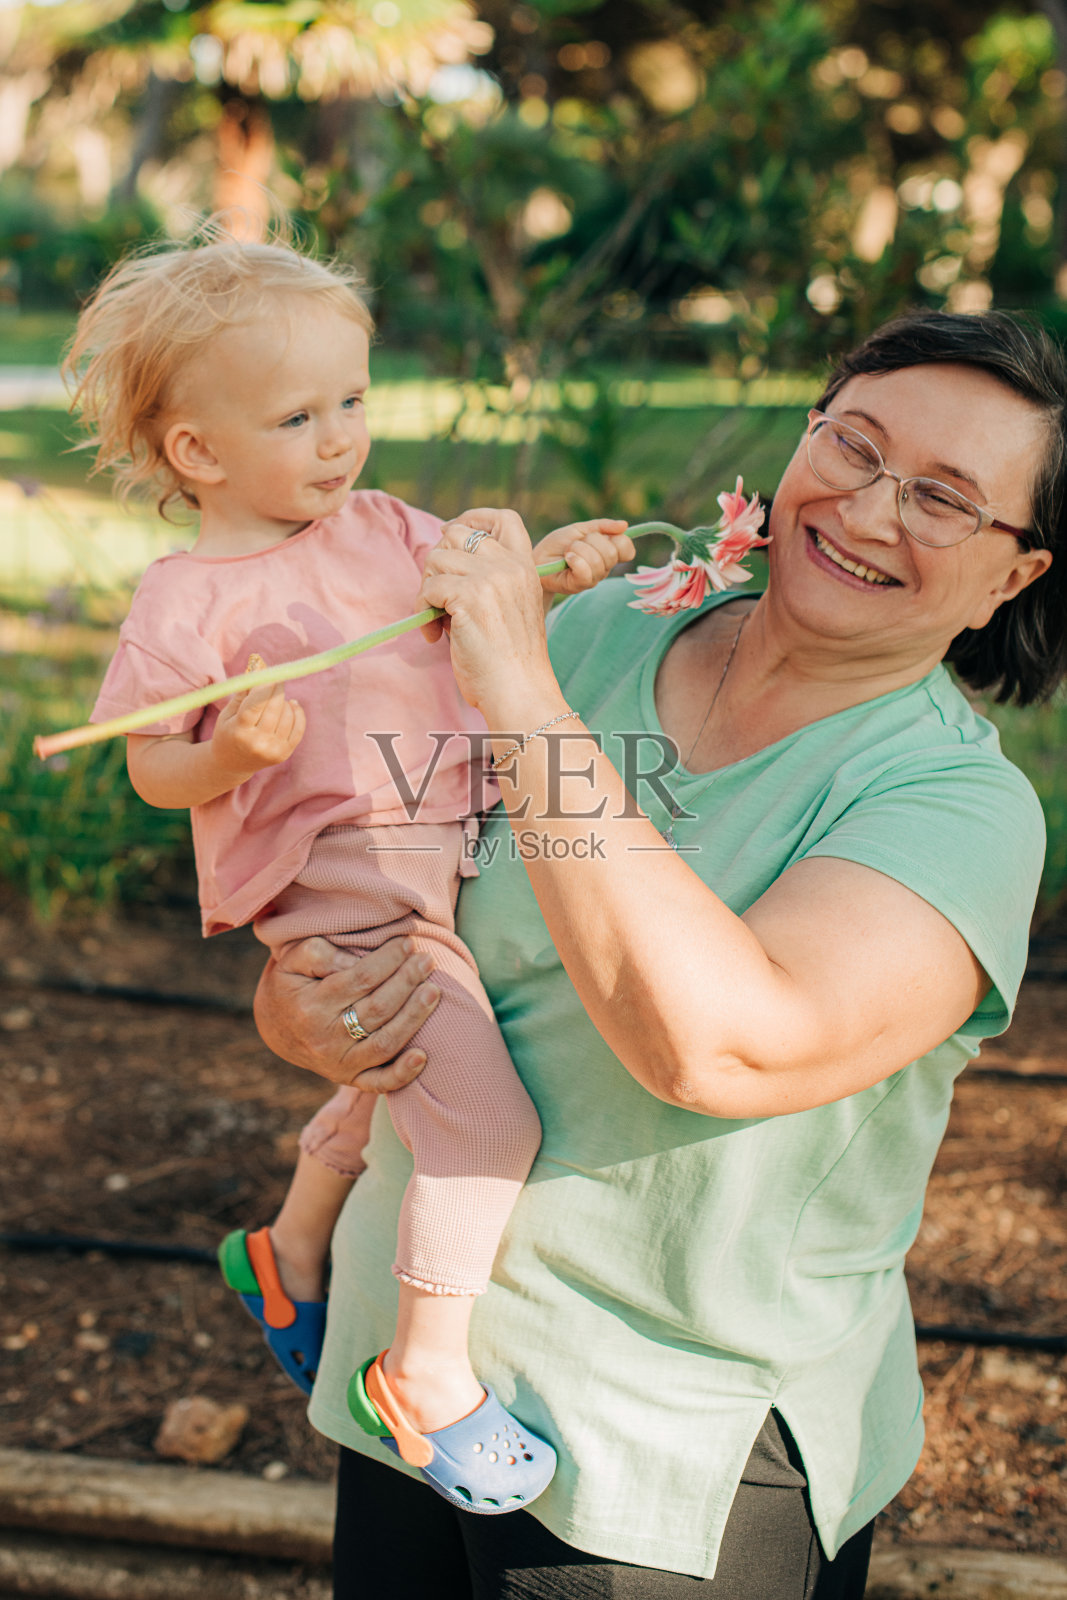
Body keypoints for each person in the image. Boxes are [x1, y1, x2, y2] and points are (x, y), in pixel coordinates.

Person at [254, 308, 1066, 1600]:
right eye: (850, 447)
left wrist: (520, 694)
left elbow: (715, 1042)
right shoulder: (599, 632)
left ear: (1010, 576)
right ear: (801, 439)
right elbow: (383, 895)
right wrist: (309, 1012)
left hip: (656, 1452)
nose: (864, 512)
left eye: (942, 501)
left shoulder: (956, 812)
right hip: (412, 1371)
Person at [70, 229, 633, 1510]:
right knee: (486, 1124)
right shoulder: (187, 602)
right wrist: (225, 755)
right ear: (199, 451)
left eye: (352, 402)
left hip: (447, 855)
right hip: (354, 892)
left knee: (393, 1079)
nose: (340, 438)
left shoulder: (380, 526)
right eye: (299, 415)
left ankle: (290, 1246)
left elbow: (470, 599)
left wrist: (549, 571)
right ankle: (425, 1378)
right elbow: (147, 765)